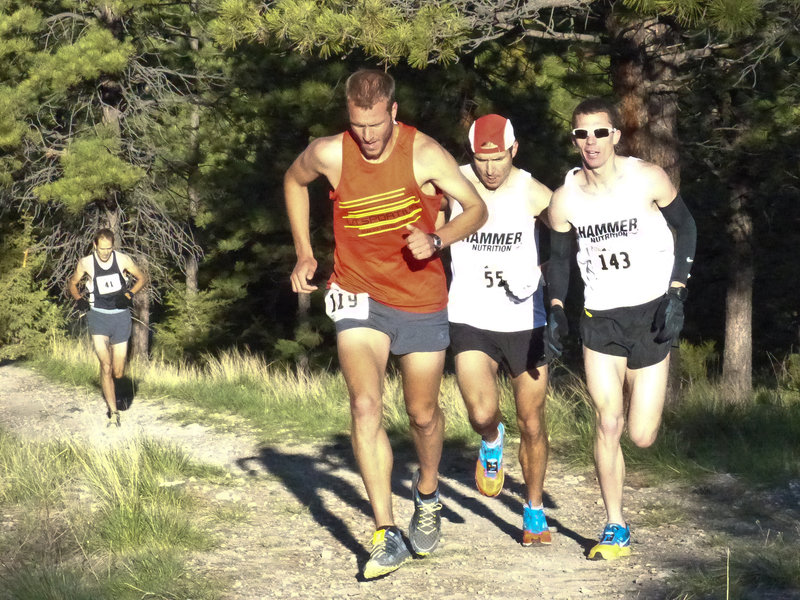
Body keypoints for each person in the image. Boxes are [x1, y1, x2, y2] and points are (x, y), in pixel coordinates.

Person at [284, 69, 487, 579]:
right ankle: (385, 532)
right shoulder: (331, 153)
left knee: (422, 414)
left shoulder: (425, 154)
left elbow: (477, 208)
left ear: (394, 113)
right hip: (355, 293)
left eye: (375, 125)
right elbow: (293, 180)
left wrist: (438, 240)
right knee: (365, 402)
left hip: (419, 297)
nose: (368, 137)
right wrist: (305, 254)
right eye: (358, 126)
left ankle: (428, 493)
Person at [546, 98, 696, 560]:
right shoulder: (565, 198)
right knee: (607, 420)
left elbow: (686, 228)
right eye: (581, 134)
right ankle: (615, 524)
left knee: (641, 435)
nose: (590, 142)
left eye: (598, 133)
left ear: (615, 135)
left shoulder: (647, 177)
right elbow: (558, 259)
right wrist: (555, 307)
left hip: (650, 314)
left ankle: (642, 421)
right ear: (573, 139)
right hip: (600, 317)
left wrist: (677, 291)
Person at [446, 114, 554, 545]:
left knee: (531, 420)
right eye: (480, 158)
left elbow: (574, 233)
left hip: (525, 321)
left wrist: (541, 272)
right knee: (481, 413)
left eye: (497, 158)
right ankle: (491, 441)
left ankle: (533, 510)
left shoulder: (531, 189)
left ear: (514, 150)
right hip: (471, 315)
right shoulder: (454, 182)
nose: (489, 169)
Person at [68, 228, 147, 427]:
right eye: (102, 249)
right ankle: (113, 413)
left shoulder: (122, 260)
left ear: (113, 246)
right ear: (95, 245)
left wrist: (129, 294)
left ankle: (114, 387)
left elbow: (142, 278)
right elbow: (72, 283)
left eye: (109, 248)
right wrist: (79, 299)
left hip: (120, 317)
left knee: (118, 372)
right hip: (98, 317)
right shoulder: (86, 263)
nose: (105, 253)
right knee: (106, 366)